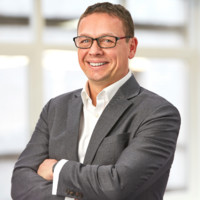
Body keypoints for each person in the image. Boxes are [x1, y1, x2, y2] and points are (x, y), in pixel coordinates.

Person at [11, 2, 181, 200]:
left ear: (131, 47)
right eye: (85, 41)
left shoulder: (158, 113)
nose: (94, 50)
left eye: (107, 40)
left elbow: (117, 185)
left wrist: (58, 168)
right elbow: (20, 183)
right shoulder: (56, 108)